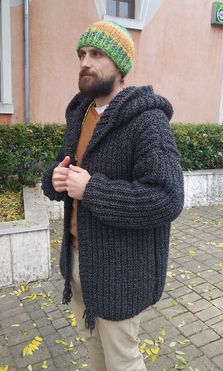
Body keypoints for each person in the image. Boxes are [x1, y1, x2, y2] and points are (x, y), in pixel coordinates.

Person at [42, 20, 184, 371]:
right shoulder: (81, 112)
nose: (84, 62)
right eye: (81, 54)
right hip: (79, 260)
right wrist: (55, 178)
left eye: (96, 54)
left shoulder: (147, 121)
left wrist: (92, 189)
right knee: (94, 346)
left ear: (119, 66)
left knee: (123, 358)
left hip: (121, 271)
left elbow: (168, 196)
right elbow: (69, 167)